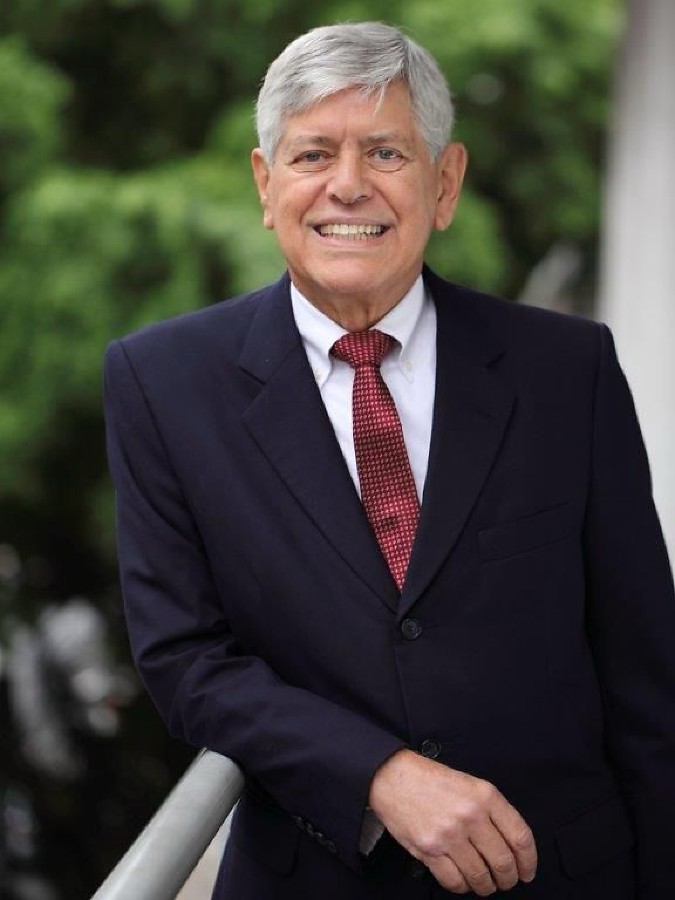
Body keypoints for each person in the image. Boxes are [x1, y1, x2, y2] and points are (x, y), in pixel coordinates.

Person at [103, 22, 675, 900]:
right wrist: (376, 772)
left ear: (444, 184)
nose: (347, 185)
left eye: (385, 152)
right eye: (311, 155)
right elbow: (185, 658)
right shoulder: (162, 380)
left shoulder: (568, 370)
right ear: (265, 184)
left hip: (557, 874)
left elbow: (645, 673)